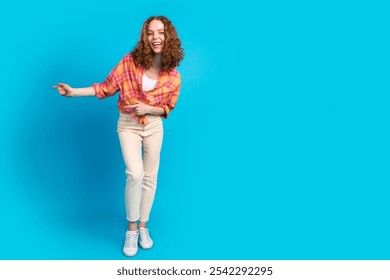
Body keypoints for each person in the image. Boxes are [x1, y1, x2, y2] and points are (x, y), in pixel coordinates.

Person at [53, 16, 184, 257]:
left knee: (150, 176)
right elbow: (105, 87)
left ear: (169, 37)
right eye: (150, 33)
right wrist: (73, 93)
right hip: (128, 124)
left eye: (161, 32)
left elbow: (167, 108)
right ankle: (131, 228)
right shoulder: (129, 62)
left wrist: (148, 109)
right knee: (135, 173)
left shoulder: (173, 76)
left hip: (154, 126)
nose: (156, 37)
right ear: (145, 37)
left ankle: (144, 225)